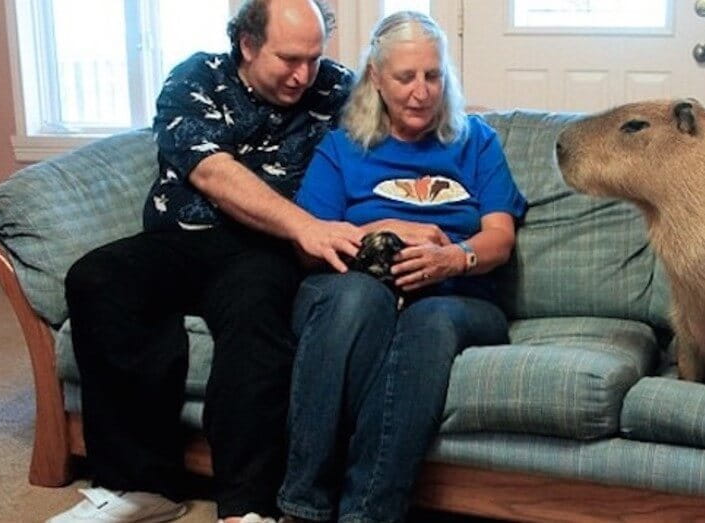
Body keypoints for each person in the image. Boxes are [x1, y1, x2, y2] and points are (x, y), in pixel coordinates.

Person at [51, 1, 364, 522]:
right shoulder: (197, 77)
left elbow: (409, 113)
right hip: (181, 241)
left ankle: (246, 507)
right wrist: (306, 227)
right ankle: (141, 488)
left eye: (313, 57)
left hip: (263, 249)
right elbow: (211, 171)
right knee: (96, 278)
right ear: (247, 44)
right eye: (289, 59)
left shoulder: (336, 89)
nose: (303, 75)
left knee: (256, 310)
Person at [277, 11, 527, 523]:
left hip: (458, 300)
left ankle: (368, 513)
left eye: (433, 76)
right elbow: (309, 247)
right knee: (358, 299)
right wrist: (384, 230)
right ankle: (302, 505)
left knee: (427, 319)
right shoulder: (344, 148)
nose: (422, 92)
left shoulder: (476, 141)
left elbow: (498, 238)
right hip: (353, 290)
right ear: (375, 77)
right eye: (405, 77)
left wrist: (454, 257)